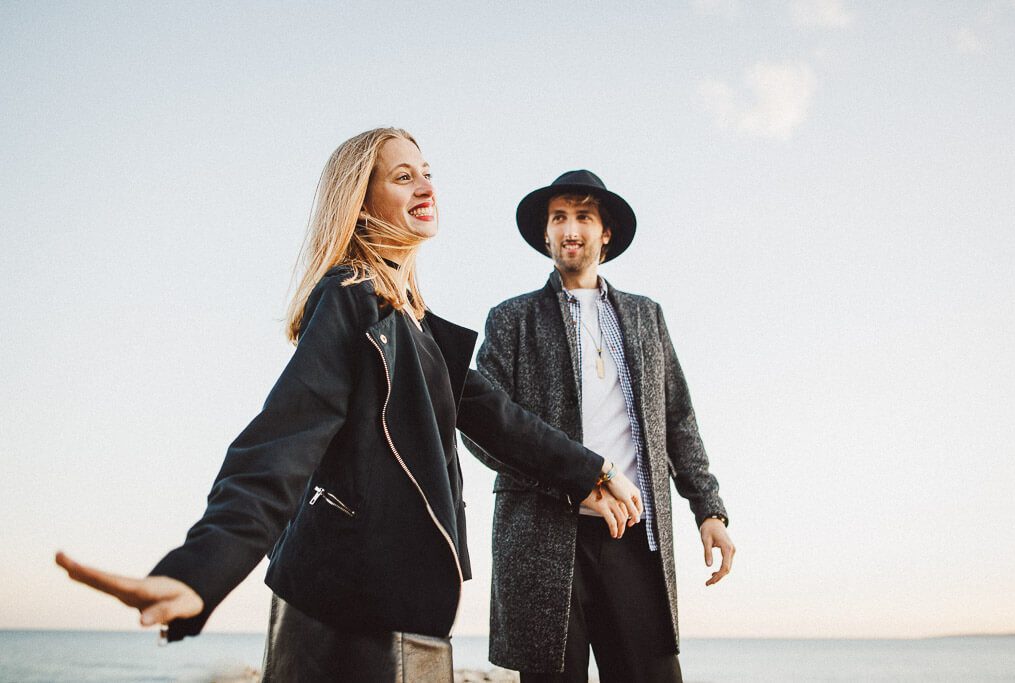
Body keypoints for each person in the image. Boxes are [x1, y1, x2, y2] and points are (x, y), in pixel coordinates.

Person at [55, 132, 644, 683]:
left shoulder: (417, 327)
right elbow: (283, 437)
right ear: (361, 205)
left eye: (428, 174)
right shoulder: (349, 298)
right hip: (338, 610)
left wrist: (594, 471)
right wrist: (198, 571)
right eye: (403, 176)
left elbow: (504, 422)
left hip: (413, 608)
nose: (426, 187)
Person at [462, 170, 736, 682]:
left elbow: (678, 421)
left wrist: (709, 509)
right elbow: (483, 429)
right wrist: (573, 485)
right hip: (542, 540)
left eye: (584, 217)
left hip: (635, 537)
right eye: (559, 217)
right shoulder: (511, 319)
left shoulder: (645, 316)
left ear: (604, 232)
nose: (571, 229)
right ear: (545, 234)